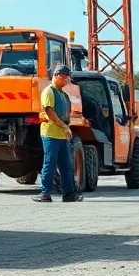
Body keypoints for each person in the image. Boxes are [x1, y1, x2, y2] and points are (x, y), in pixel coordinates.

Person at [33, 64, 83, 203]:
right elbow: (49, 112)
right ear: (55, 75)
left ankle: (69, 194)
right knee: (50, 163)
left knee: (67, 166)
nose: (65, 81)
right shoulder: (49, 92)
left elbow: (65, 114)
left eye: (67, 78)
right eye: (63, 77)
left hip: (62, 135)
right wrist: (64, 127)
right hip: (50, 134)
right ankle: (45, 193)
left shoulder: (63, 95)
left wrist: (67, 128)